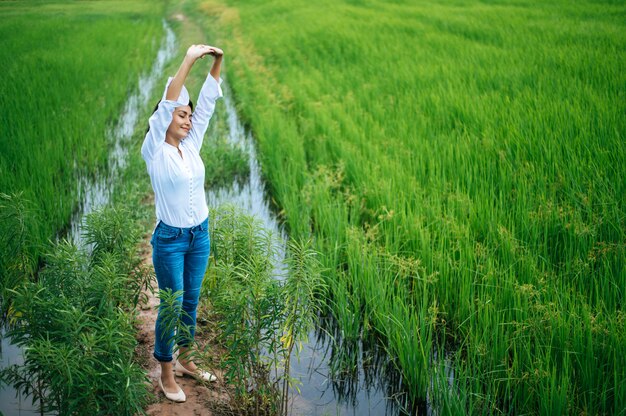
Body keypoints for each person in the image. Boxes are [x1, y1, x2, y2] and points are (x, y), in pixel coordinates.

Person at [141, 44, 224, 403]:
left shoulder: (191, 145)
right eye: (180, 116)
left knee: (191, 301)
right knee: (172, 305)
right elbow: (168, 104)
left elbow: (206, 105)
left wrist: (217, 63)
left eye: (188, 117)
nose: (188, 121)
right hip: (171, 240)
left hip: (200, 234)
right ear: (165, 118)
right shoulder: (154, 149)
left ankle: (187, 359)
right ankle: (165, 372)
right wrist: (189, 60)